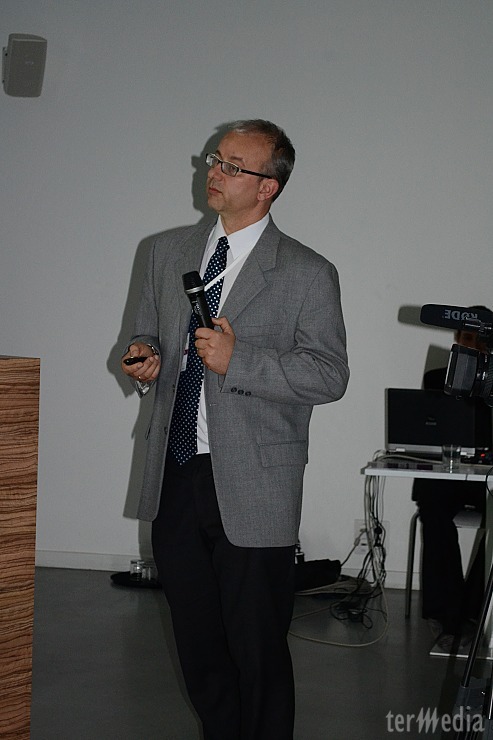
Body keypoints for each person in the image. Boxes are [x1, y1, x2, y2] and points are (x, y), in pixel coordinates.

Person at [120, 119, 349, 740]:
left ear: (268, 186)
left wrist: (237, 360)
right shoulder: (166, 252)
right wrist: (145, 358)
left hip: (254, 482)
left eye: (231, 166)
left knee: (257, 646)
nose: (213, 173)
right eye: (214, 159)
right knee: (197, 643)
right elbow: (147, 333)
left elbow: (329, 374)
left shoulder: (306, 271)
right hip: (176, 472)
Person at [413, 317, 492, 651]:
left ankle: (472, 610)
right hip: (450, 475)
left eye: (480, 339)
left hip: (486, 479)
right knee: (433, 511)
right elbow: (430, 427)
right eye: (466, 337)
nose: (472, 345)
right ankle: (446, 615)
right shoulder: (437, 378)